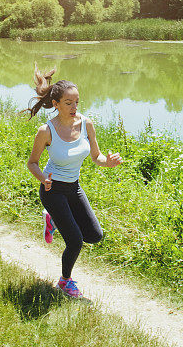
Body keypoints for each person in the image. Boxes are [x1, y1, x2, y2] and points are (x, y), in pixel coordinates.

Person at [25, 64, 122, 298]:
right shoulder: (46, 131)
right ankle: (65, 281)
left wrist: (106, 162)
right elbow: (32, 163)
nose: (74, 107)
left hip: (74, 188)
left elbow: (96, 156)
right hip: (52, 189)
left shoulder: (86, 124)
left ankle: (53, 220)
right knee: (76, 241)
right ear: (55, 104)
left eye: (77, 102)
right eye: (68, 103)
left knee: (95, 236)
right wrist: (42, 178)